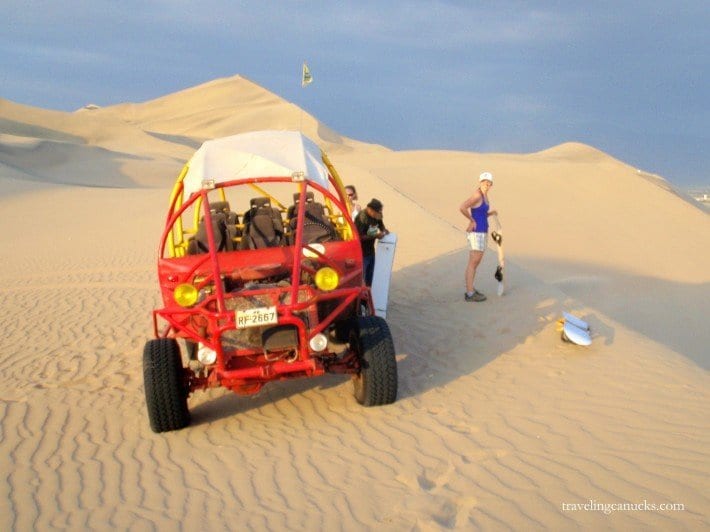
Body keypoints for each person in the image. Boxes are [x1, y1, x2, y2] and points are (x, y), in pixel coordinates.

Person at [459, 172, 498, 302]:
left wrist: (490, 213)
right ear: (480, 182)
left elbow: (480, 213)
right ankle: (470, 293)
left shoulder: (485, 195)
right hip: (476, 232)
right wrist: (471, 220)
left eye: (489, 183)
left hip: (482, 231)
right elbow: (463, 207)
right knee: (473, 262)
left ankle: (470, 289)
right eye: (485, 182)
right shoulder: (477, 195)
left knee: (475, 262)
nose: (487, 184)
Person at [355, 198, 389, 286]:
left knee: (370, 276)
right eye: (377, 213)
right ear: (370, 210)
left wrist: (384, 231)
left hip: (370, 251)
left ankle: (369, 289)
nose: (379, 215)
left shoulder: (376, 215)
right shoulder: (361, 218)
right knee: (361, 278)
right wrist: (375, 236)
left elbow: (381, 225)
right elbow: (358, 237)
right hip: (361, 253)